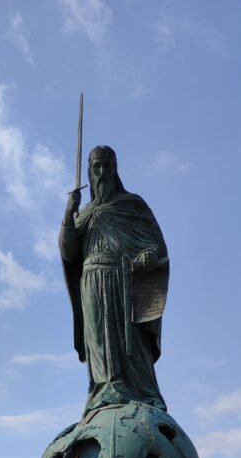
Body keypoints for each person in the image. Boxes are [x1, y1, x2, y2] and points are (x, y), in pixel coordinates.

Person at [59, 145, 169, 415]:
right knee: (98, 337)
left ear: (115, 169)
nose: (102, 172)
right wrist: (68, 215)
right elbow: (69, 251)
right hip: (92, 283)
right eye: (97, 167)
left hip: (124, 280)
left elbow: (154, 243)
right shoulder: (83, 214)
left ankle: (141, 392)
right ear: (89, 172)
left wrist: (149, 254)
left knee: (130, 340)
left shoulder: (132, 205)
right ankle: (103, 392)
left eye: (107, 166)